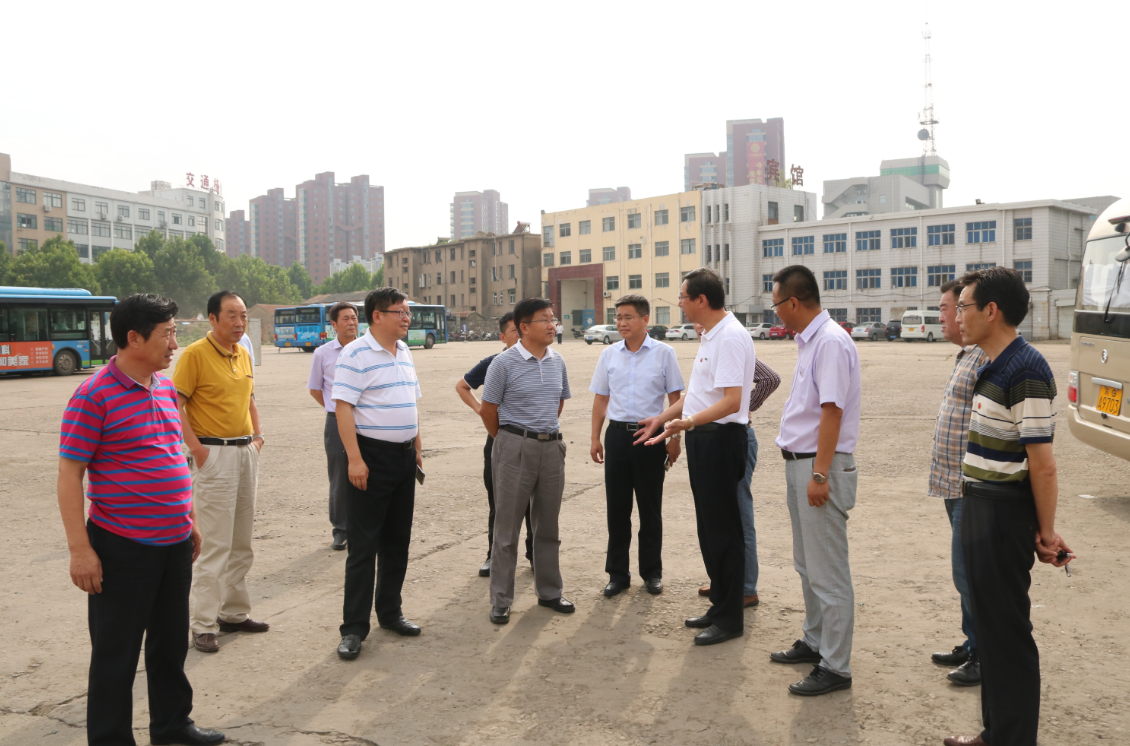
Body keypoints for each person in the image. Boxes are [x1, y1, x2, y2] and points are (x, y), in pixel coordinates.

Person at [59, 293, 224, 746]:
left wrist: (189, 519)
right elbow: (70, 475)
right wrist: (80, 550)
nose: (175, 343)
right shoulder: (94, 395)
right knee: (116, 653)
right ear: (134, 338)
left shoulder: (165, 389)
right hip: (122, 546)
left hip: (174, 543)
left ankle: (172, 727)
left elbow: (174, 457)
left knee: (169, 645)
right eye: (167, 334)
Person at [944, 267, 1074, 746]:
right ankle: (995, 731)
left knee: (1008, 634)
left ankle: (1014, 738)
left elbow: (1042, 464)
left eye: (964, 306)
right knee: (990, 631)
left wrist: (1046, 532)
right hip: (979, 506)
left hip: (1002, 515)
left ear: (992, 311)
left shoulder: (1026, 369)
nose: (958, 316)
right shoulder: (992, 364)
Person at [639, 268, 755, 646]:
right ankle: (720, 603)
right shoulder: (711, 335)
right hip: (704, 437)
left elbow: (732, 401)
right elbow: (698, 394)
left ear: (701, 300)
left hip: (721, 439)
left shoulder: (730, 337)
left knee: (724, 530)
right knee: (709, 527)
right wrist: (662, 418)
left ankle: (730, 618)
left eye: (683, 297)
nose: (679, 304)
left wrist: (687, 423)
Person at [768, 265, 860, 696]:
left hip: (818, 465)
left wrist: (820, 473)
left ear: (793, 302)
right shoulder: (811, 341)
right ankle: (816, 639)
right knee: (808, 564)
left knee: (828, 572)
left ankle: (836, 666)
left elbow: (832, 412)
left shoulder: (830, 342)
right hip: (800, 463)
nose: (775, 313)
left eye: (776, 305)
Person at [332, 288, 425, 660]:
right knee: (363, 547)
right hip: (370, 458)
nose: (406, 318)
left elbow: (411, 403)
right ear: (377, 316)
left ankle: (390, 612)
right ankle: (354, 628)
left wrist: (418, 449)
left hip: (404, 458)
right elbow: (343, 408)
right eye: (399, 312)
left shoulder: (404, 351)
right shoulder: (355, 354)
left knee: (397, 541)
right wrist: (355, 459)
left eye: (407, 312)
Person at [174, 290, 268, 655]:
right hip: (214, 454)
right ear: (212, 318)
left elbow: (249, 399)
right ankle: (203, 624)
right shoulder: (195, 354)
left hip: (245, 452)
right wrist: (197, 450)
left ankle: (234, 613)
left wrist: (257, 437)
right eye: (231, 315)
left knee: (242, 541)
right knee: (215, 544)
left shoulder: (242, 352)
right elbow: (176, 405)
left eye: (242, 315)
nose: (239, 322)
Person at [479, 297, 573, 625]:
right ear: (524, 327)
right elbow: (488, 410)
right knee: (507, 528)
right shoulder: (503, 364)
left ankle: (549, 592)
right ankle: (501, 599)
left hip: (551, 448)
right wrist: (509, 440)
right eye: (544, 320)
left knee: (548, 525)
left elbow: (558, 403)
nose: (552, 325)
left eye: (553, 319)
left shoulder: (557, 361)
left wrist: (542, 432)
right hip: (514, 447)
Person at [589, 294, 684, 597]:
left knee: (650, 509)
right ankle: (617, 574)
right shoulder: (609, 355)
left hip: (650, 437)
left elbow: (676, 399)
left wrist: (674, 438)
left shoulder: (664, 353)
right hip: (617, 436)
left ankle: (651, 572)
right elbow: (601, 399)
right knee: (617, 510)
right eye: (618, 317)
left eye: (628, 317)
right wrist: (595, 437)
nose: (621, 323)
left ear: (645, 319)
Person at [697, 322, 782, 609]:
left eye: (702, 322)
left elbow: (770, 378)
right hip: (714, 437)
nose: (699, 327)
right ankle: (726, 581)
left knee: (739, 515)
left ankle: (746, 587)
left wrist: (746, 406)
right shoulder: (709, 347)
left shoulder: (730, 343)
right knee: (718, 517)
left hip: (735, 437)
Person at [928, 280, 988, 687]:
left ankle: (985, 655)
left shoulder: (985, 357)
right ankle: (973, 642)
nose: (945, 316)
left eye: (948, 308)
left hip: (971, 485)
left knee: (970, 574)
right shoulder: (967, 355)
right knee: (964, 571)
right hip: (953, 482)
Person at [454, 312, 533, 577]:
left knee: (534, 503)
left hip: (534, 441)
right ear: (502, 337)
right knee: (498, 501)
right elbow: (462, 386)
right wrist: (481, 410)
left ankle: (534, 554)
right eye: (515, 332)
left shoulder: (540, 360)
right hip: (500, 439)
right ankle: (494, 554)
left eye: (524, 329)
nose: (521, 336)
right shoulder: (494, 363)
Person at [307, 302, 360, 551]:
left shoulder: (367, 349)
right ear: (334, 325)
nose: (351, 322)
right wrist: (336, 409)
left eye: (354, 318)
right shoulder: (323, 353)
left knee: (370, 472)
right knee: (340, 476)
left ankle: (364, 526)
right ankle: (341, 529)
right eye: (346, 319)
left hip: (368, 421)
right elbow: (315, 389)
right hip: (337, 422)